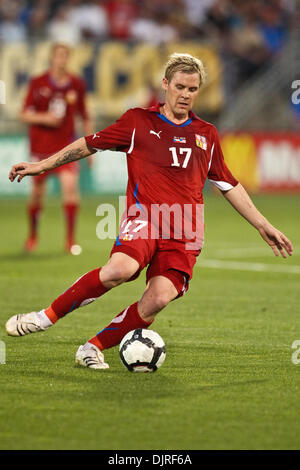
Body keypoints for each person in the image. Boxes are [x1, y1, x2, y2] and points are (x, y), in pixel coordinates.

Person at [6, 53, 293, 370]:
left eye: (193, 89)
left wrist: (262, 225)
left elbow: (228, 184)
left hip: (186, 231)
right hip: (144, 219)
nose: (185, 94)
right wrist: (42, 165)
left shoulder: (206, 134)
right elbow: (89, 144)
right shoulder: (138, 122)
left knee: (157, 299)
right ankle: (44, 317)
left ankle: (92, 347)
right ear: (165, 85)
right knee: (119, 269)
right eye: (180, 87)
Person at [20, 42, 93, 254]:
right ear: (51, 58)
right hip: (41, 147)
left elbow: (84, 115)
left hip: (65, 147)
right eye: (58, 55)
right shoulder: (38, 82)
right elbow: (24, 113)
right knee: (37, 194)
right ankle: (32, 237)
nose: (62, 59)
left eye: (65, 56)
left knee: (70, 189)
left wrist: (92, 147)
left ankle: (70, 240)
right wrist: (45, 118)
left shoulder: (76, 84)